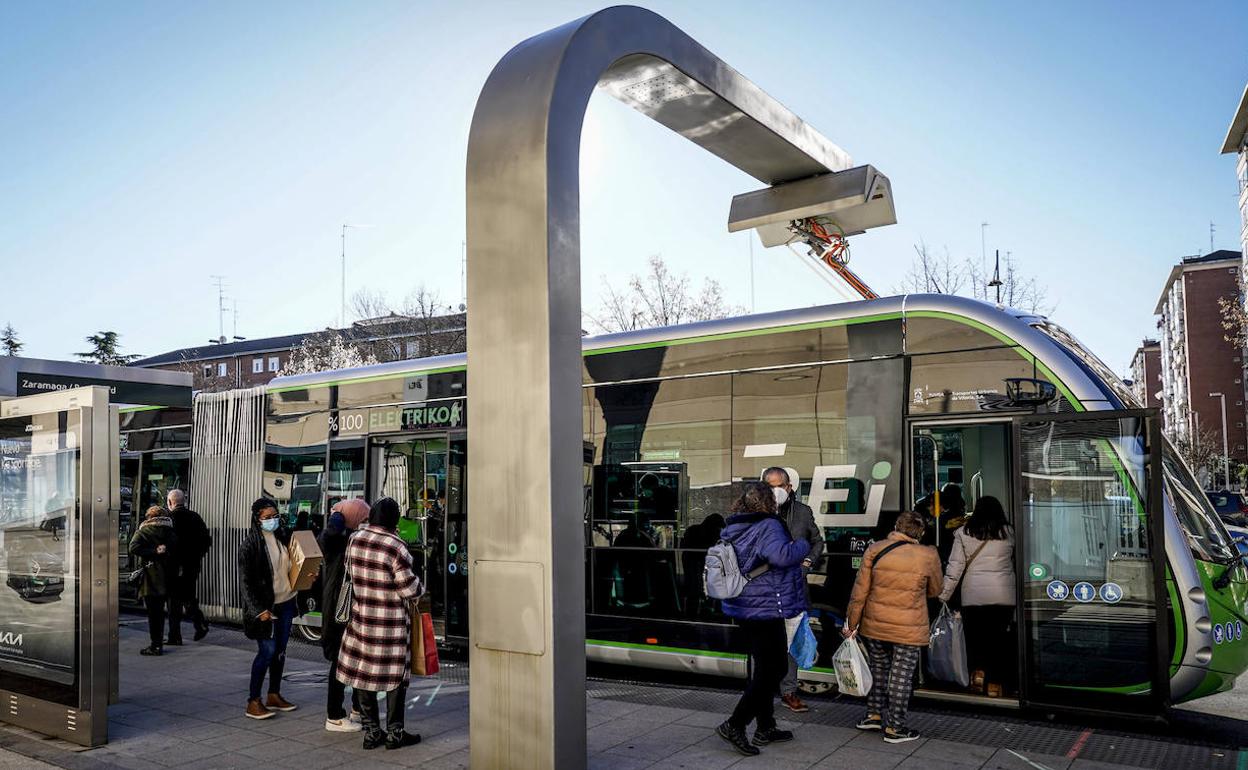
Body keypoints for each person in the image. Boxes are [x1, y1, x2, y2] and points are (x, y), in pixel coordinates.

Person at [714, 482, 811, 757]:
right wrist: (802, 544)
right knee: (776, 668)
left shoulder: (734, 525)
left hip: (745, 603)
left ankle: (765, 726)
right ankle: (735, 724)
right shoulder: (769, 524)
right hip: (766, 605)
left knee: (765, 667)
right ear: (769, 503)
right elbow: (780, 556)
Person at [844, 510, 943, 744]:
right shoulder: (928, 555)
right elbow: (935, 590)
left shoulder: (875, 549)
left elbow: (860, 592)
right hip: (908, 626)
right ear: (921, 532)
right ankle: (895, 728)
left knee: (878, 668)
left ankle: (873, 714)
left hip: (874, 623)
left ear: (896, 527)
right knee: (901, 676)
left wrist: (851, 623)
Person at [336, 497, 424, 750]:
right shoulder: (395, 546)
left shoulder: (355, 539)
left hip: (361, 618)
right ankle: (395, 733)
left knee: (364, 675)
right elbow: (409, 589)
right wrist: (421, 588)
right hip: (390, 624)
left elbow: (350, 571)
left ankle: (372, 731)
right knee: (395, 678)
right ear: (394, 520)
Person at [938, 495, 1016, 697]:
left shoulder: (963, 533)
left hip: (973, 596)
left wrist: (943, 596)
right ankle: (995, 684)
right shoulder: (1009, 532)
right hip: (1003, 595)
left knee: (975, 639)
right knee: (998, 640)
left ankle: (978, 674)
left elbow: (954, 569)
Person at [762, 467, 824, 714]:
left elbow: (817, 541)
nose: (775, 491)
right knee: (766, 644)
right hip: (765, 592)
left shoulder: (802, 512)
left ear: (789, 487)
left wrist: (808, 562)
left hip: (794, 590)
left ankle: (788, 692)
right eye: (770, 486)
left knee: (791, 642)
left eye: (780, 486)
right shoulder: (757, 514)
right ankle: (763, 692)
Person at [239, 498, 300, 720]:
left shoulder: (283, 537)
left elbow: (294, 566)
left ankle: (274, 694)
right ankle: (253, 701)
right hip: (266, 608)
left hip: (286, 602)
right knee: (267, 651)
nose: (273, 520)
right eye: (267, 517)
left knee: (280, 652)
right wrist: (258, 609)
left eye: (275, 516)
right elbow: (246, 582)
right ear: (257, 519)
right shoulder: (250, 545)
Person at [320, 498, 370, 732]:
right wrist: (337, 518)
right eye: (363, 518)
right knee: (340, 663)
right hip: (340, 610)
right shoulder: (336, 541)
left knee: (357, 660)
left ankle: (357, 709)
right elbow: (327, 538)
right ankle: (334, 716)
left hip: (352, 610)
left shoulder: (349, 539)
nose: (366, 523)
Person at [128, 505, 178, 656]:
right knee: (162, 612)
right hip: (168, 577)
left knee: (153, 614)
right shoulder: (171, 531)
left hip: (150, 578)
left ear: (149, 517)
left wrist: (152, 552)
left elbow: (133, 548)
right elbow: (177, 550)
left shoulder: (144, 531)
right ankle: (164, 639)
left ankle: (155, 645)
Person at [165, 489, 211, 644]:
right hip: (192, 565)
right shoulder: (195, 517)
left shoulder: (170, 518)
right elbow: (206, 540)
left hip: (175, 566)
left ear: (170, 502)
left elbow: (169, 543)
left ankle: (176, 636)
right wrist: (196, 556)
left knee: (174, 601)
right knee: (187, 596)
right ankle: (199, 624)